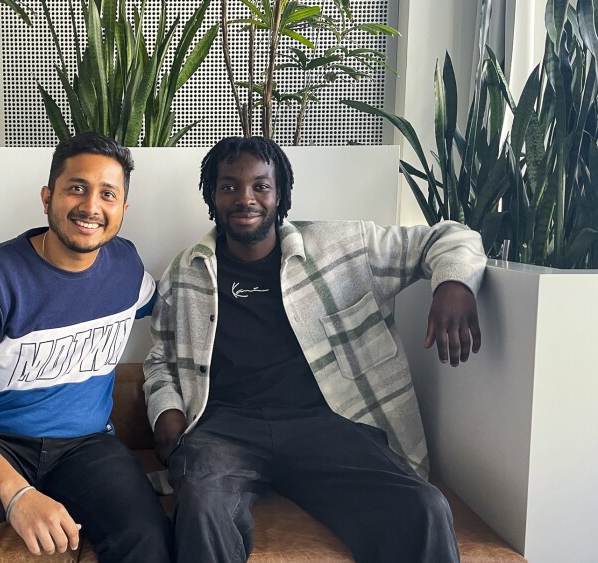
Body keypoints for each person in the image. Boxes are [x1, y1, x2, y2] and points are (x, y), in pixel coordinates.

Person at [143, 136, 487, 563]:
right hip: (224, 429)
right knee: (201, 507)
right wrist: (166, 410)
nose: (245, 198)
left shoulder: (342, 247)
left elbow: (450, 236)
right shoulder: (185, 271)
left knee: (424, 506)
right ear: (212, 196)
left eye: (260, 186)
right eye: (229, 186)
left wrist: (453, 282)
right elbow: (160, 358)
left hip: (327, 424)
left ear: (280, 193)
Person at [0, 132, 171, 562]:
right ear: (47, 197)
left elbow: (175, 307)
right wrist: (16, 493)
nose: (91, 206)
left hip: (87, 446)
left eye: (107, 194)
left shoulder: (126, 267)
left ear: (122, 210)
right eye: (76, 187)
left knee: (148, 533)